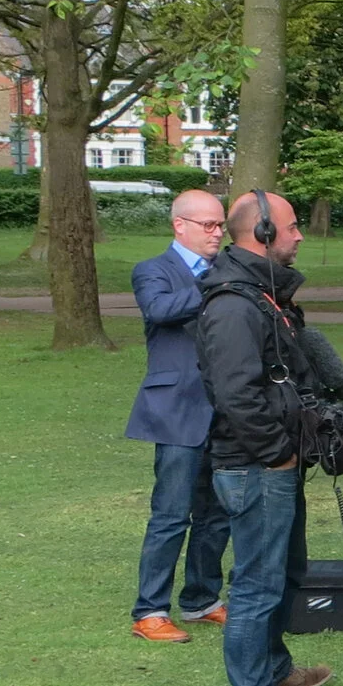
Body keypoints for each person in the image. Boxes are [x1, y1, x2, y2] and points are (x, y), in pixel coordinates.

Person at [194, 191, 333, 686]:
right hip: (254, 465)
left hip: (274, 462)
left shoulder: (261, 295)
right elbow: (236, 395)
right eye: (293, 227)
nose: (300, 236)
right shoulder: (233, 304)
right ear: (265, 234)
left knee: (284, 572)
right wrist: (278, 453)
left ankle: (275, 669)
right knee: (256, 582)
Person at [125, 191, 233, 643]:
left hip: (226, 407)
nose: (216, 233)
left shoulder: (228, 269)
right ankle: (150, 610)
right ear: (179, 226)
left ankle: (201, 599)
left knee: (217, 514)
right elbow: (160, 310)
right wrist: (214, 284)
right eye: (207, 225)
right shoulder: (153, 270)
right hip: (175, 409)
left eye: (220, 225)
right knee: (170, 514)